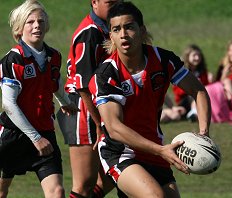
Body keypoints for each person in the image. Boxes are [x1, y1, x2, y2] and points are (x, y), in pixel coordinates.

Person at [88, 2, 211, 197]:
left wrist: (203, 133)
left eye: (129, 27)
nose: (123, 34)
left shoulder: (162, 60)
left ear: (142, 30)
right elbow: (114, 127)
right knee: (154, 196)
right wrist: (160, 150)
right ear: (110, 35)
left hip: (154, 147)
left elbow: (198, 90)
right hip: (120, 150)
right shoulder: (106, 74)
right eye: (116, 29)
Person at [0, 0, 78, 197]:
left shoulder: (54, 56)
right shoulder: (13, 60)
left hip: (45, 132)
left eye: (41, 21)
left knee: (57, 192)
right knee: (2, 190)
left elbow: (55, 81)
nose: (37, 26)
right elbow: (9, 104)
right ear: (19, 28)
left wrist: (65, 101)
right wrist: (35, 138)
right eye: (30, 22)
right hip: (13, 136)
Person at [57, 0, 121, 197]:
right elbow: (83, 85)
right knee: (84, 183)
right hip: (82, 109)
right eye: (110, 2)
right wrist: (99, 124)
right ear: (94, 3)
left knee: (119, 170)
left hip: (100, 108)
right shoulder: (90, 33)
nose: (116, 5)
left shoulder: (109, 29)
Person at [172, 44, 213, 121]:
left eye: (199, 56)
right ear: (188, 56)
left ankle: (196, 113)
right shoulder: (182, 71)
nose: (197, 58)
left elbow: (206, 89)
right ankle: (194, 112)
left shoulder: (202, 72)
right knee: (194, 94)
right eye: (194, 55)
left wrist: (209, 82)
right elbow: (177, 91)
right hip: (184, 100)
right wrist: (191, 86)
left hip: (200, 99)